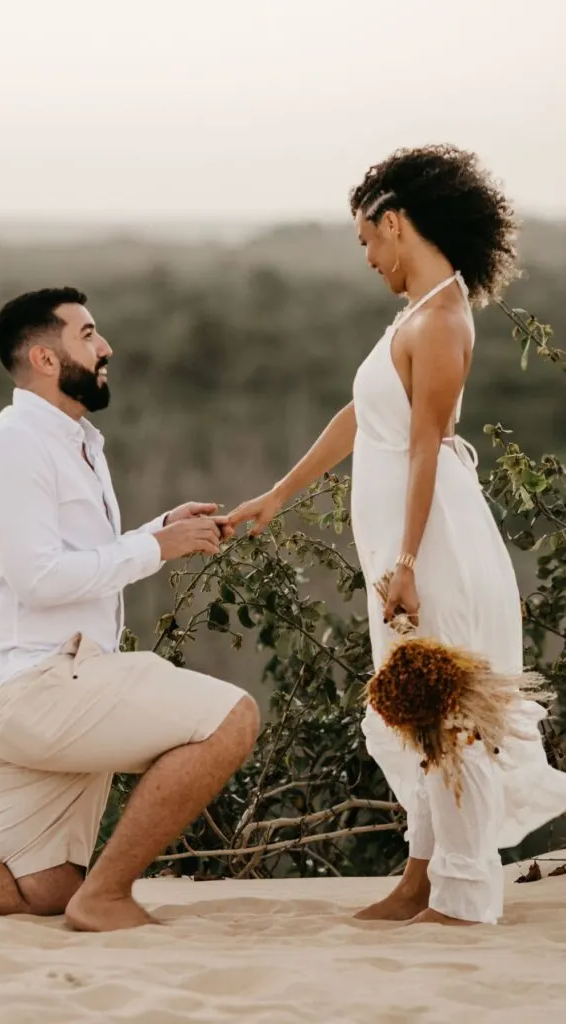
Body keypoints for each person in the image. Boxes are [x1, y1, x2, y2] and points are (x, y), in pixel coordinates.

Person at [227, 145, 566, 926]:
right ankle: (420, 879)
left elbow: (424, 445)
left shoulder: (444, 317)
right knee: (417, 709)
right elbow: (362, 418)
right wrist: (279, 494)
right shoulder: (411, 317)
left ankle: (463, 892)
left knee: (447, 715)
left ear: (395, 222)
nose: (368, 258)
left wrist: (408, 561)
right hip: (403, 545)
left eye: (366, 241)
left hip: (434, 544)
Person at [0, 287, 259, 932]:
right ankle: (107, 896)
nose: (105, 345)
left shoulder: (70, 439)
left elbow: (68, 557)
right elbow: (39, 580)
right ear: (45, 358)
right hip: (33, 685)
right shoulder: (16, 445)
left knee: (40, 894)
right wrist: (154, 547)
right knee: (231, 718)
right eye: (87, 335)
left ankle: (77, 894)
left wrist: (157, 528)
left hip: (26, 690)